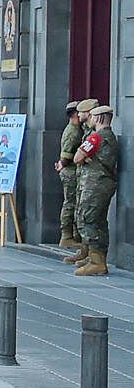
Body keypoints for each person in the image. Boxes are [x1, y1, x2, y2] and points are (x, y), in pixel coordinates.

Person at [72, 101, 119, 277]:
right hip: (105, 184)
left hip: (94, 184)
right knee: (100, 222)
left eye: (92, 116)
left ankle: (96, 261)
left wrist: (85, 158)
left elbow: (77, 157)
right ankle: (98, 258)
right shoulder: (112, 137)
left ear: (98, 118)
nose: (89, 119)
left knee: (87, 218)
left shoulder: (96, 138)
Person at [56, 100, 87, 254]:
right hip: (70, 172)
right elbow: (66, 155)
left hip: (72, 171)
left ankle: (74, 235)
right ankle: (67, 235)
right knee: (71, 203)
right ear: (75, 114)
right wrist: (62, 163)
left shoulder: (77, 129)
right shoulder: (73, 131)